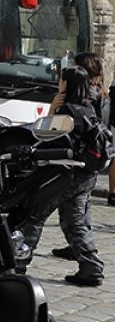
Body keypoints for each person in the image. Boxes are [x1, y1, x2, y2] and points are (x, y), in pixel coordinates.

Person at [18, 65, 104, 287]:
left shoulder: (67, 111)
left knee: (35, 215)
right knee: (74, 221)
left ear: (67, 84)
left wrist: (53, 110)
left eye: (61, 80)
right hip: (85, 174)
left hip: (66, 173)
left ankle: (18, 263)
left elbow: (45, 137)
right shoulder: (89, 108)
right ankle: (91, 267)